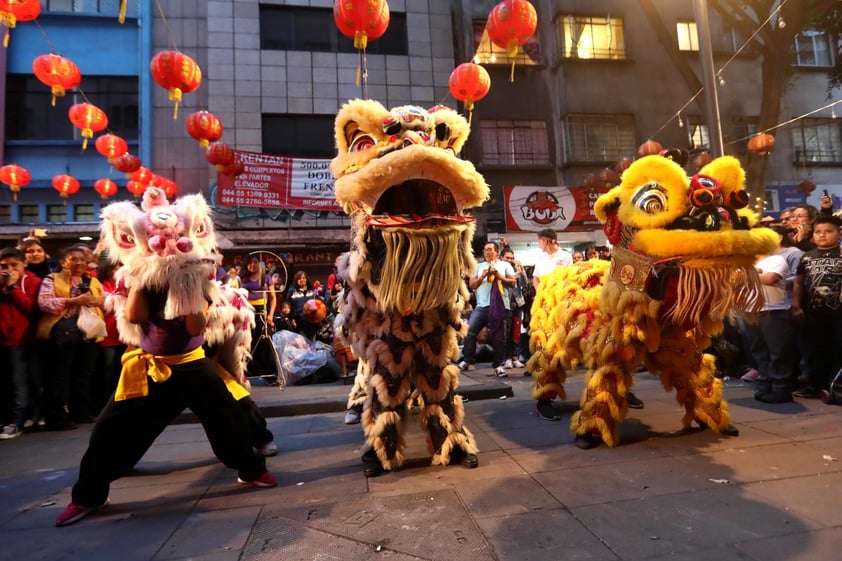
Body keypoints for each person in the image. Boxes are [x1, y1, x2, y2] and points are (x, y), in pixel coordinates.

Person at [54, 280, 277, 527]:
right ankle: (88, 496)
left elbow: (194, 328)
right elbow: (135, 315)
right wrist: (141, 278)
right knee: (109, 428)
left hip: (193, 366)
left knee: (228, 419)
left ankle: (250, 470)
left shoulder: (196, 282)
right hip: (149, 365)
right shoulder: (143, 281)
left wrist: (189, 288)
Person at [36, 245, 105, 430]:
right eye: (74, 259)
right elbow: (44, 302)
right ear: (63, 262)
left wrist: (95, 301)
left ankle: (80, 411)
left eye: (82, 259)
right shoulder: (52, 279)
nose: (79, 262)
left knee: (84, 374)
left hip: (89, 333)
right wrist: (73, 301)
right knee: (60, 375)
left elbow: (105, 301)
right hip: (63, 332)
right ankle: (57, 416)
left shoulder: (92, 281)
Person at [791, 215, 842, 399]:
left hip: (839, 313)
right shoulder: (807, 256)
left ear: (839, 233)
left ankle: (834, 386)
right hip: (814, 312)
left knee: (838, 349)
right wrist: (796, 306)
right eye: (818, 232)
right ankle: (816, 386)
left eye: (828, 231)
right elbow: (798, 282)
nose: (822, 235)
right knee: (816, 351)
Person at [746, 227, 797, 403]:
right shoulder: (747, 265)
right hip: (751, 312)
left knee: (778, 352)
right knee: (759, 352)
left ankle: (781, 389)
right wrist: (754, 273)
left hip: (774, 311)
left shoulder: (777, 259)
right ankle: (765, 385)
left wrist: (748, 275)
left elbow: (770, 279)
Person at [0, 247, 41, 440]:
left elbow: (31, 310)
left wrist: (14, 287)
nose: (8, 269)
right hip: (3, 339)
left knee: (19, 382)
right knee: (5, 384)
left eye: (13, 265)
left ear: (24, 263)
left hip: (21, 340)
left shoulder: (33, 282)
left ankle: (17, 422)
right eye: (3, 266)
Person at [458, 241, 516, 377]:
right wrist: (483, 276)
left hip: (501, 306)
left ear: (496, 251)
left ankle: (498, 366)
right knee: (469, 331)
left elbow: (513, 282)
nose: (487, 252)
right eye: (485, 250)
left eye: (490, 249)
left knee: (500, 337)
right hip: (482, 307)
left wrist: (499, 276)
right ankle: (468, 360)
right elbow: (472, 285)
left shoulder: (505, 265)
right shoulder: (478, 267)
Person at [242, 256, 277, 378]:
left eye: (255, 262)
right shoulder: (243, 278)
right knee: (249, 339)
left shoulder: (266, 278)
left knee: (264, 339)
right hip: (247, 310)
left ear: (260, 263)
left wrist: (271, 314)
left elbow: (273, 297)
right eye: (250, 262)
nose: (252, 265)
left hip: (262, 310)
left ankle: (267, 370)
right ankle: (250, 369)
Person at [500, 246, 528, 370]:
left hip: (517, 302)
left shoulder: (516, 269)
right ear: (501, 258)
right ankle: (506, 358)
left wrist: (521, 271)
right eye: (507, 258)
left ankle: (515, 357)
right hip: (504, 303)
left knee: (516, 331)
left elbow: (525, 284)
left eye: (512, 258)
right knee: (506, 331)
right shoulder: (499, 268)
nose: (510, 260)